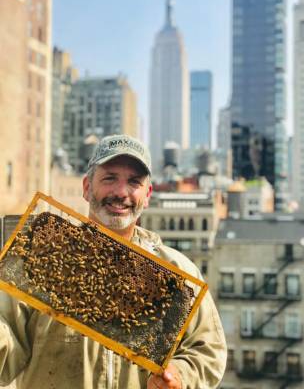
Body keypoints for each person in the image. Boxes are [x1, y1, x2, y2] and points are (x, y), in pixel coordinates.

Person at [0, 134, 227, 389]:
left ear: (148, 194)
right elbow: (6, 340)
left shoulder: (177, 271)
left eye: (134, 182)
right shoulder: (41, 258)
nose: (121, 192)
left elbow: (207, 350)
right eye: (109, 179)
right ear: (86, 187)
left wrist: (180, 375)